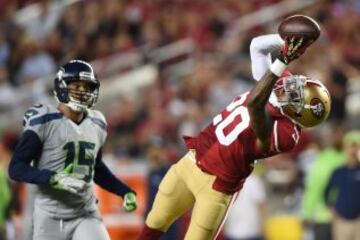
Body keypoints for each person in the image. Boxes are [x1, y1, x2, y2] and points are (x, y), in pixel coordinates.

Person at [137, 27, 332, 240]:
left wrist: (283, 59)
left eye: (297, 94)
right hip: (192, 161)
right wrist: (289, 42)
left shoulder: (287, 134)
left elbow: (255, 105)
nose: (291, 86)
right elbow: (257, 46)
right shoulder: (277, 84)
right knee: (152, 226)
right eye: (299, 86)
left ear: (300, 114)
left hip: (218, 186)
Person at [8, 60, 138, 240]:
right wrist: (53, 178)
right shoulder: (45, 119)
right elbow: (16, 168)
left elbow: (96, 168)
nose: (83, 91)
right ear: (62, 87)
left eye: (87, 87)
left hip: (85, 212)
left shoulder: (97, 122)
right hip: (50, 214)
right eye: (77, 85)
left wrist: (124, 191)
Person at [302, 124, 345, 240]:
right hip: (325, 218)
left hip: (345, 219)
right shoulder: (322, 159)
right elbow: (313, 189)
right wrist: (307, 213)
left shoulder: (349, 158)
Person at [324, 131, 360, 240]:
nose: (352, 151)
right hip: (341, 221)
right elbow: (327, 192)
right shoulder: (338, 172)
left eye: (356, 147)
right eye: (350, 147)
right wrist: (331, 209)